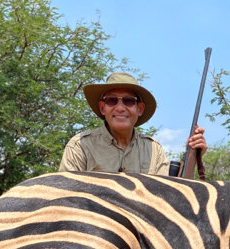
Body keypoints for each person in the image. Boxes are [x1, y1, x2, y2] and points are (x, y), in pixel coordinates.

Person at [59, 72, 207, 175]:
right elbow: (64, 196)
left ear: (139, 109)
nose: (120, 107)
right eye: (112, 100)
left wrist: (193, 155)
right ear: (102, 107)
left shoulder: (153, 149)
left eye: (129, 101)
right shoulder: (80, 145)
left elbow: (170, 198)